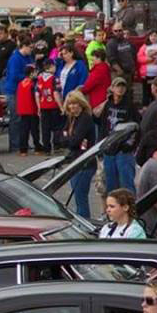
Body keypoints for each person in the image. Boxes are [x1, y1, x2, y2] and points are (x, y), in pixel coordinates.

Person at [100, 77, 140, 193]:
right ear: (112, 88)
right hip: (109, 150)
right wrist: (102, 145)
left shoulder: (130, 105)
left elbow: (137, 127)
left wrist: (129, 146)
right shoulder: (108, 104)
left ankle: (131, 209)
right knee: (111, 186)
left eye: (123, 86)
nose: (120, 89)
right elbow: (102, 124)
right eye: (118, 86)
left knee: (127, 185)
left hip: (123, 151)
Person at [62, 91, 96, 219]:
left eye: (75, 104)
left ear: (81, 104)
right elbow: (62, 137)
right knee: (77, 197)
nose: (72, 107)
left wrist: (69, 139)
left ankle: (85, 223)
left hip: (84, 164)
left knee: (81, 198)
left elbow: (74, 141)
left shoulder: (85, 118)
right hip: (74, 161)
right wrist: (69, 139)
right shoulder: (72, 118)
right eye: (70, 104)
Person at [3, 35, 33, 153]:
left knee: (25, 118)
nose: (31, 50)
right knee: (15, 118)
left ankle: (23, 142)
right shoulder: (15, 58)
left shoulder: (28, 57)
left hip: (24, 90)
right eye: (30, 47)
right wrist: (28, 77)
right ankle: (14, 144)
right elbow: (15, 75)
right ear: (24, 47)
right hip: (14, 91)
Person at [37, 60, 63, 154]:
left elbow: (37, 94)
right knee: (57, 127)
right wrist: (61, 107)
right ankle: (56, 146)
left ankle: (46, 148)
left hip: (43, 106)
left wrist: (39, 107)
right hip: (53, 106)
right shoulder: (54, 78)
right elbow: (56, 93)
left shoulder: (39, 78)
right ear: (51, 67)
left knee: (45, 128)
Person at [16, 64, 42, 156]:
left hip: (23, 111)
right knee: (35, 130)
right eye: (35, 72)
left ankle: (23, 150)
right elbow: (35, 97)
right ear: (31, 73)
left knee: (24, 130)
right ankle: (37, 148)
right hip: (32, 110)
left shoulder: (21, 83)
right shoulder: (33, 84)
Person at [0, 26, 16, 95]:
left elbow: (13, 61)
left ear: (7, 34)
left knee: (5, 101)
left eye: (1, 33)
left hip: (4, 78)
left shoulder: (11, 45)